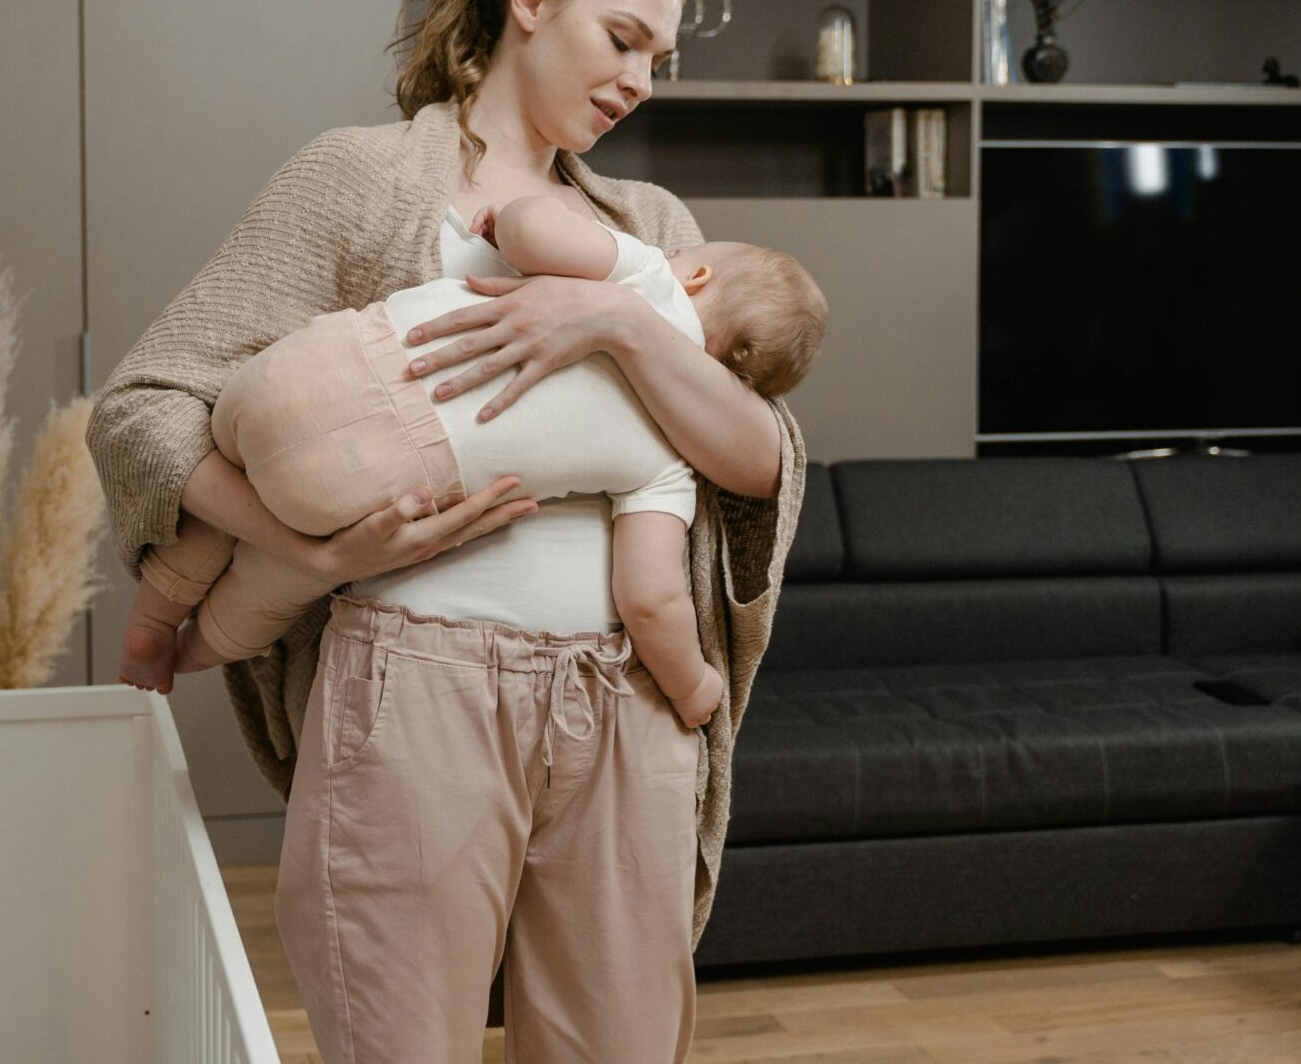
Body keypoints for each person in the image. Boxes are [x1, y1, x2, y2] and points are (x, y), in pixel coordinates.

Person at [84, 0, 810, 1064]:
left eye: (661, 54)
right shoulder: (358, 177)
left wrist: (616, 325)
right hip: (415, 687)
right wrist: (317, 547)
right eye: (623, 39)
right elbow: (149, 399)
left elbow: (760, 460)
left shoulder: (653, 232)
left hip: (628, 704)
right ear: (530, 2)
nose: (642, 79)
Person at [113, 188, 826, 734]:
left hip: (310, 368)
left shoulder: (639, 272)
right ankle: (188, 652)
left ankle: (151, 620)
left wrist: (509, 218)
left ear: (696, 275)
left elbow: (533, 230)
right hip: (368, 486)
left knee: (225, 467)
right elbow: (651, 596)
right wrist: (695, 685)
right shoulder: (669, 456)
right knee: (274, 577)